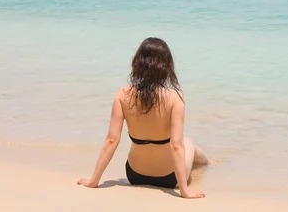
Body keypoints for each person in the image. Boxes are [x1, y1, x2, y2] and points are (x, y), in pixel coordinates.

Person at [77, 37, 210, 199]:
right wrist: (184, 191)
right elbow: (176, 146)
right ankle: (208, 164)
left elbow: (112, 140)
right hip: (169, 178)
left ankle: (208, 163)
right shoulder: (175, 97)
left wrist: (94, 180)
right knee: (188, 143)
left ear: (137, 63)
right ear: (167, 66)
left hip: (135, 175)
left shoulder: (123, 94)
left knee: (184, 144)